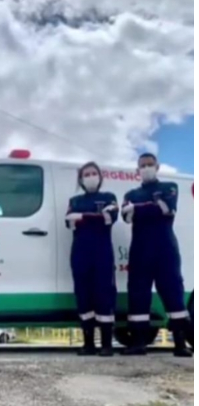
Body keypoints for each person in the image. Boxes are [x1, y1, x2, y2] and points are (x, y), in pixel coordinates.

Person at [121, 153, 192, 357]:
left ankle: (180, 343)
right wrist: (151, 206)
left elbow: (167, 209)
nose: (146, 168)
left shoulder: (169, 187)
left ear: (157, 166)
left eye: (150, 164)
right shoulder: (131, 193)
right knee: (138, 295)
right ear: (137, 170)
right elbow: (126, 216)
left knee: (173, 294)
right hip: (140, 250)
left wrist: (137, 208)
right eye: (142, 165)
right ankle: (137, 342)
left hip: (165, 249)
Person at [65, 162, 118, 357]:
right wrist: (95, 216)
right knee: (83, 295)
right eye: (86, 174)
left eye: (93, 173)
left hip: (102, 253)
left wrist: (82, 217)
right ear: (81, 179)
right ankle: (88, 343)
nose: (90, 176)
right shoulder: (74, 200)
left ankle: (106, 344)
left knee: (104, 295)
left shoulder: (109, 198)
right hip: (80, 253)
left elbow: (109, 218)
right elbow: (68, 221)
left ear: (100, 176)